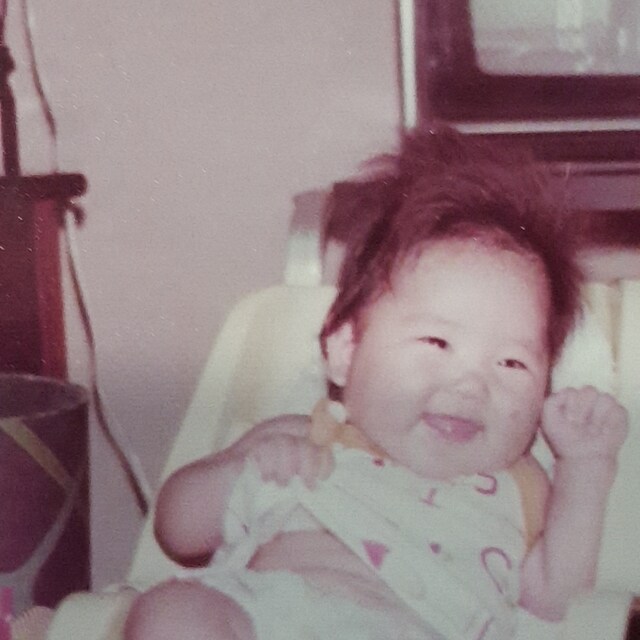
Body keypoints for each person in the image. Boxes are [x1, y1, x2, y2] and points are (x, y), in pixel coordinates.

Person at [124, 128, 628, 640]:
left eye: (512, 364)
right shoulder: (307, 435)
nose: (471, 385)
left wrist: (586, 466)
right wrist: (244, 471)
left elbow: (558, 599)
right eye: (436, 342)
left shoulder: (520, 486)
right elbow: (177, 530)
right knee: (171, 613)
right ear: (346, 353)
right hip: (269, 613)